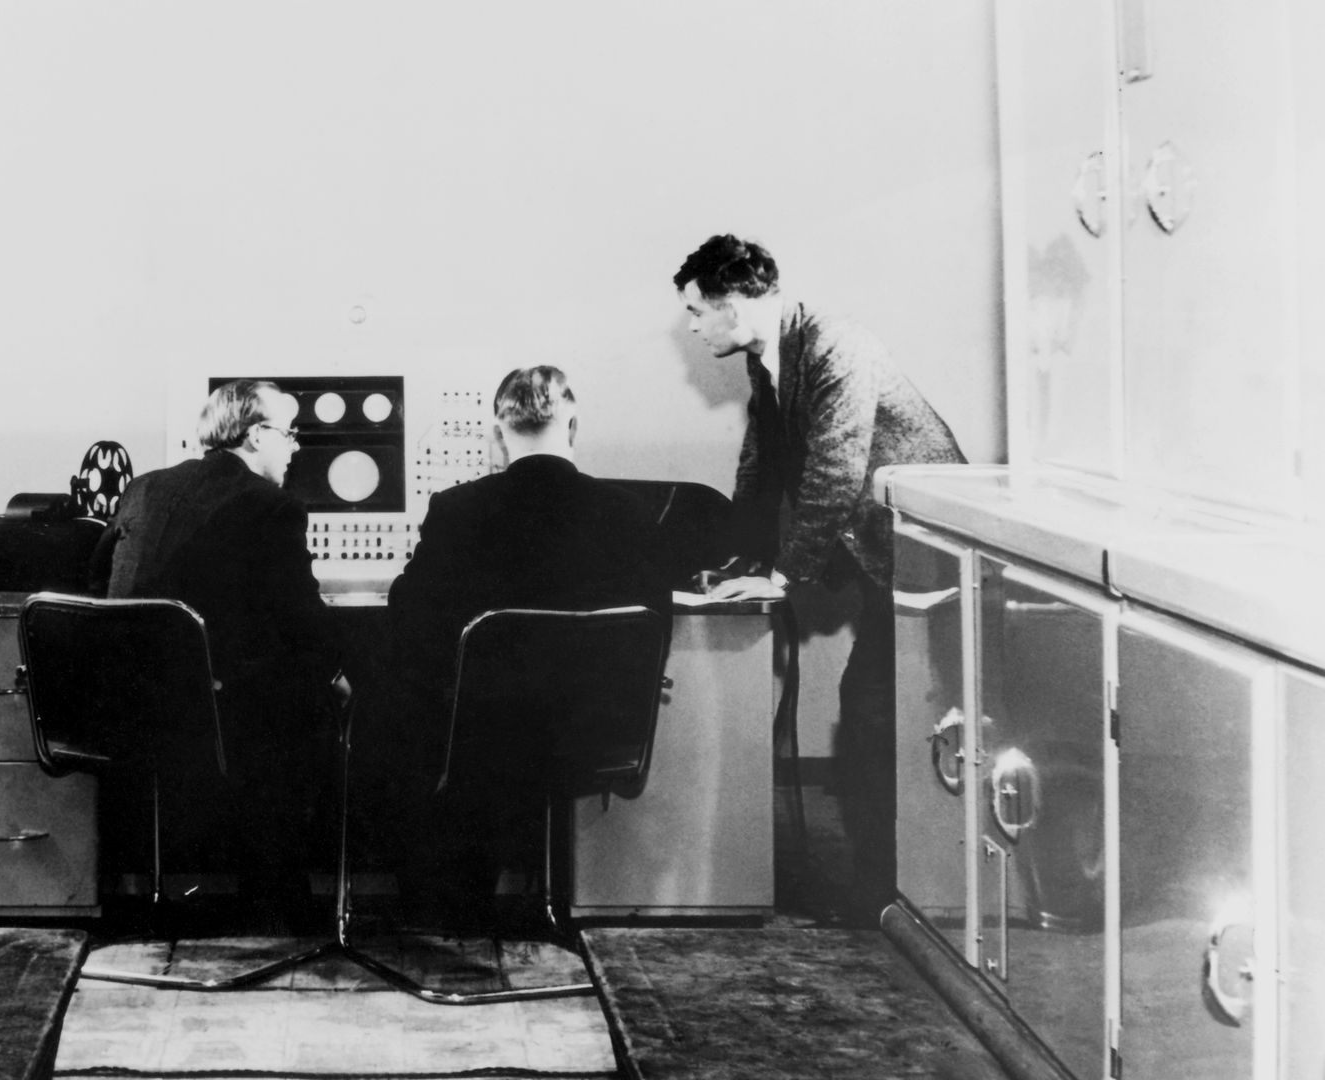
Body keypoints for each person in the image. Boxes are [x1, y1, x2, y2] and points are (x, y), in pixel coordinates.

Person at [672, 233, 966, 921]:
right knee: (870, 716)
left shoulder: (836, 345)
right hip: (878, 554)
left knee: (872, 715)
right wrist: (733, 562)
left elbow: (835, 467)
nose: (690, 326)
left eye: (695, 310)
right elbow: (763, 466)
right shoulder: (770, 359)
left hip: (929, 559)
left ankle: (884, 897)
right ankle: (883, 889)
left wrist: (780, 577)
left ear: (735, 300)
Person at [357, 365, 669, 912]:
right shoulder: (632, 513)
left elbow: (412, 615)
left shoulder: (457, 510)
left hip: (484, 734)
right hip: (595, 728)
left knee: (393, 707)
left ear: (499, 429)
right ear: (572, 422)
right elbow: (653, 624)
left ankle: (438, 900)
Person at [89, 378, 346, 910]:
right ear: (255, 436)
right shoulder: (271, 506)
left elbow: (95, 578)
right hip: (214, 718)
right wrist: (340, 675)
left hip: (119, 708)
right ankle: (278, 906)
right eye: (289, 433)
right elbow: (303, 617)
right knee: (305, 700)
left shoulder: (143, 488)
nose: (295, 447)